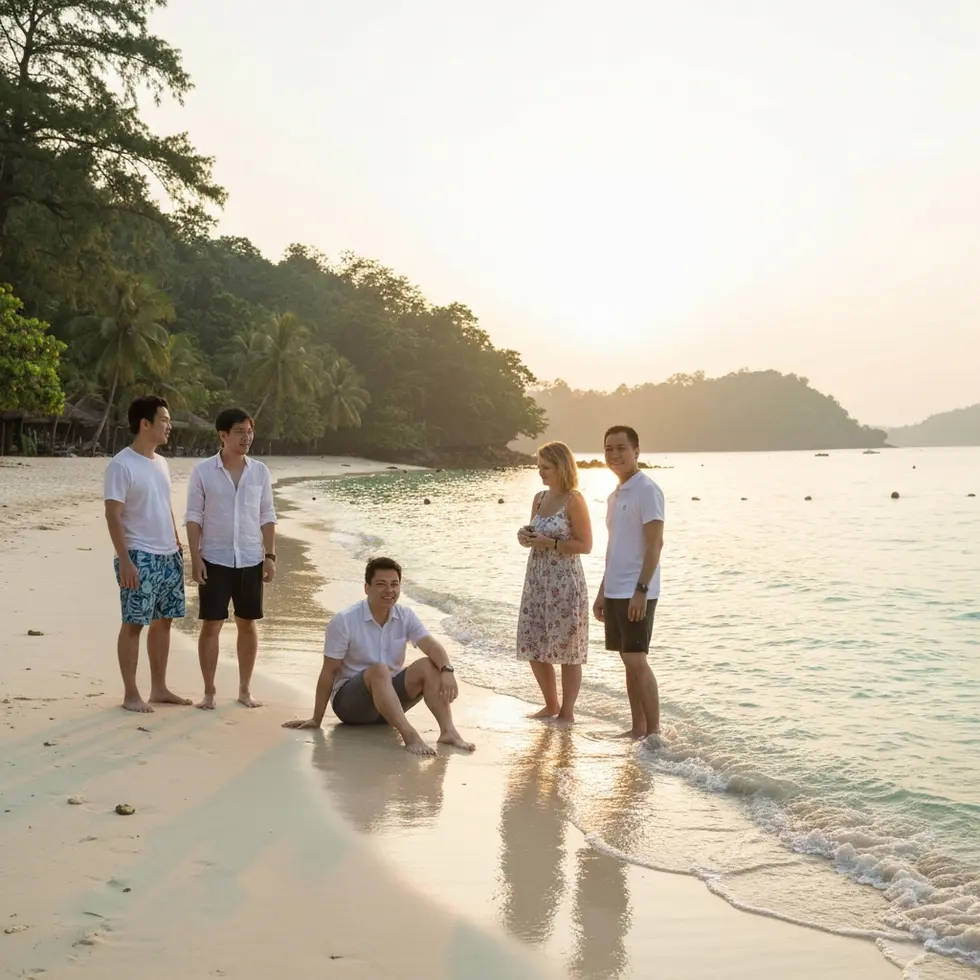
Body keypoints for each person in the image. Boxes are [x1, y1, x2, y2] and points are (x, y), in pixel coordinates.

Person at [282, 557, 476, 757]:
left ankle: (448, 732)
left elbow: (431, 645)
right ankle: (410, 735)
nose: (389, 590)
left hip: (389, 703)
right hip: (351, 706)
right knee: (379, 670)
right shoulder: (344, 621)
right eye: (381, 584)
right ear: (367, 588)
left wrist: (447, 670)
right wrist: (316, 719)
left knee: (429, 664)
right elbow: (329, 672)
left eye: (394, 584)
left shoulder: (405, 615)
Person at [103, 395, 191, 713]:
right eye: (164, 420)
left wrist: (176, 540)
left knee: (164, 621)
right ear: (145, 424)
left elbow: (163, 503)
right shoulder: (121, 465)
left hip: (168, 553)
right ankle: (131, 694)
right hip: (139, 555)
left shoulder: (162, 462)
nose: (169, 426)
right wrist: (124, 559)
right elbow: (113, 515)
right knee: (134, 623)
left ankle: (159, 688)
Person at [184, 408, 277, 710]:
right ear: (222, 435)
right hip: (214, 557)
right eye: (239, 431)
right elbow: (193, 517)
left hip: (251, 557)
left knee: (247, 623)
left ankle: (245, 690)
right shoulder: (203, 471)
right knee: (212, 624)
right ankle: (209, 692)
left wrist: (270, 556)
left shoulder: (260, 471)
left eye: (249, 431)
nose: (246, 437)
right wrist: (196, 557)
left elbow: (267, 516)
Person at [592, 425, 665, 740]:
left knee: (637, 660)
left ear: (636, 451)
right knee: (627, 661)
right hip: (615, 589)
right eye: (609, 448)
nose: (615, 454)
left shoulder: (648, 490)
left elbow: (655, 545)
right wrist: (601, 592)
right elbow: (615, 547)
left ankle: (655, 734)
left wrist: (641, 590)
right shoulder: (614, 495)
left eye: (621, 448)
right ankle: (638, 728)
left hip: (638, 591)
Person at [516, 440, 592, 723]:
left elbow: (585, 545)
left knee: (568, 650)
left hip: (565, 583)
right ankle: (550, 704)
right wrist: (526, 537)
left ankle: (567, 712)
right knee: (533, 642)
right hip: (536, 580)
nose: (540, 472)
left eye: (545, 467)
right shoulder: (538, 498)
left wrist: (552, 543)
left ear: (561, 467)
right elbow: (536, 534)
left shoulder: (575, 500)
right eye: (539, 467)